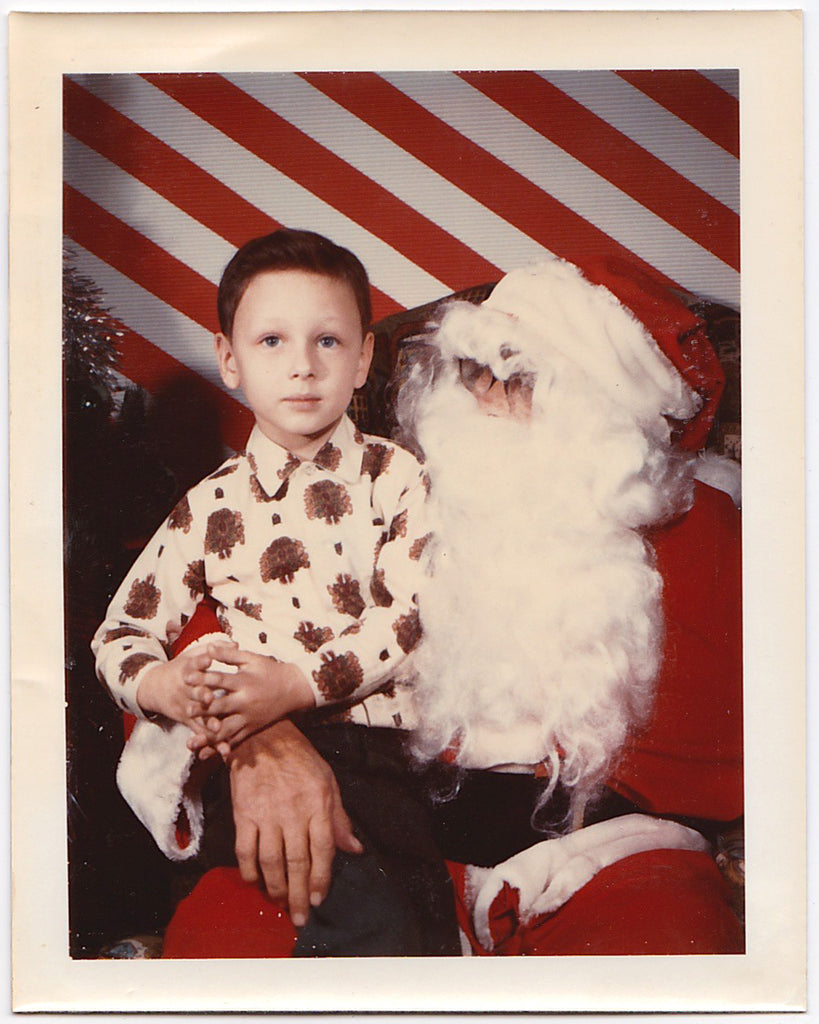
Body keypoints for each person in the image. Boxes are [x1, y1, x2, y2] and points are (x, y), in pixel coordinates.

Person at [110, 253, 745, 958]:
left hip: (611, 863)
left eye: (523, 380)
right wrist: (259, 738)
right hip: (374, 827)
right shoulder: (380, 493)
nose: (486, 400)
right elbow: (190, 620)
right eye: (475, 371)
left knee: (667, 947)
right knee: (224, 942)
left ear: (605, 410)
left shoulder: (712, 533)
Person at [92, 228, 462, 956]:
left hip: (385, 755)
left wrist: (297, 683)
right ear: (228, 359)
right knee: (350, 916)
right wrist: (164, 685)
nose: (301, 366)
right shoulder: (208, 508)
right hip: (248, 758)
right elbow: (118, 636)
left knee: (417, 925)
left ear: (362, 361)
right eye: (270, 342)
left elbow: (410, 614)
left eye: (328, 342)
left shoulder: (399, 479)